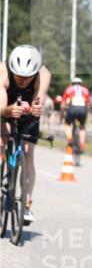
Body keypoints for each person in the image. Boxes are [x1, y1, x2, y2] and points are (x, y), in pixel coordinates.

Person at [1, 45, 51, 224]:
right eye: (19, 77)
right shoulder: (3, 72)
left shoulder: (43, 74)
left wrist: (37, 107)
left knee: (29, 154)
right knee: (1, 142)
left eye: (27, 77)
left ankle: (27, 204)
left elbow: (40, 98)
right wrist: (9, 110)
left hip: (28, 114)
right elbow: (1, 108)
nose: (22, 81)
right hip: (5, 109)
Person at [62, 76, 91, 154]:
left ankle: (70, 139)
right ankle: (82, 145)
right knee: (82, 127)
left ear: (72, 83)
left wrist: (61, 113)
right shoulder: (85, 90)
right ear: (81, 84)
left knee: (67, 124)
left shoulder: (69, 89)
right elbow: (88, 105)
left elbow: (63, 104)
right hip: (83, 109)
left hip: (72, 109)